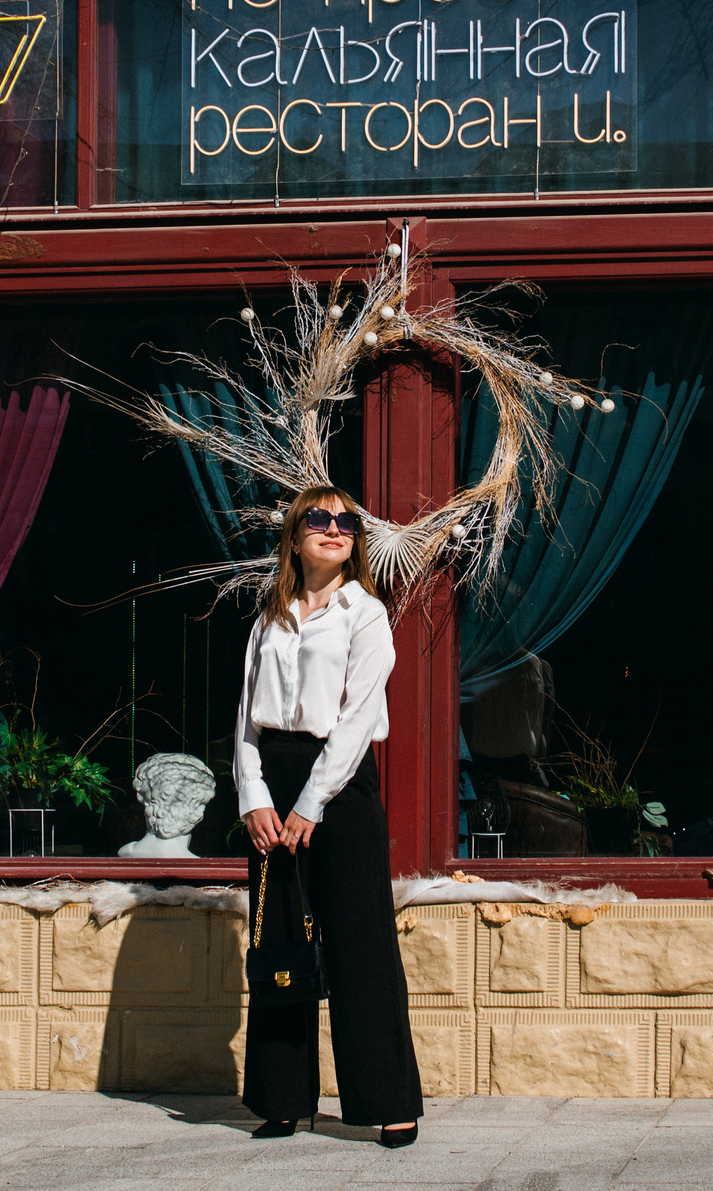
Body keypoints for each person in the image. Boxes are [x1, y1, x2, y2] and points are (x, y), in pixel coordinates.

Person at [233, 485, 423, 1146]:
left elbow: (356, 720)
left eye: (347, 521)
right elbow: (245, 720)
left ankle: (388, 1100)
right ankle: (282, 1097)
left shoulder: (364, 613)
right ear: (295, 533)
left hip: (338, 785)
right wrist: (253, 796)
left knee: (360, 945)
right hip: (272, 778)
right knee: (279, 943)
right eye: (320, 517)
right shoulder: (271, 614)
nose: (335, 527)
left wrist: (311, 803)